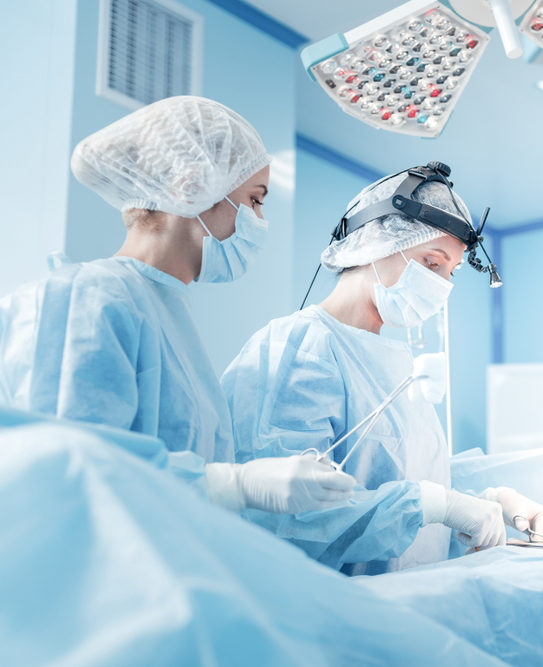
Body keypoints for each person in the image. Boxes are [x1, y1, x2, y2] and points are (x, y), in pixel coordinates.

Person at [0, 96, 354, 516]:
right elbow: (68, 475)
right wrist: (234, 485)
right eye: (256, 199)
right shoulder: (87, 298)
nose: (259, 219)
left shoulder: (168, 319)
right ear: (191, 187)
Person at [223, 163, 543, 573]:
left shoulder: (391, 367)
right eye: (431, 263)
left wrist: (487, 502)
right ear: (373, 244)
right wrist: (434, 505)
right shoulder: (297, 349)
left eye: (450, 273)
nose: (441, 287)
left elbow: (406, 499)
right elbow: (289, 520)